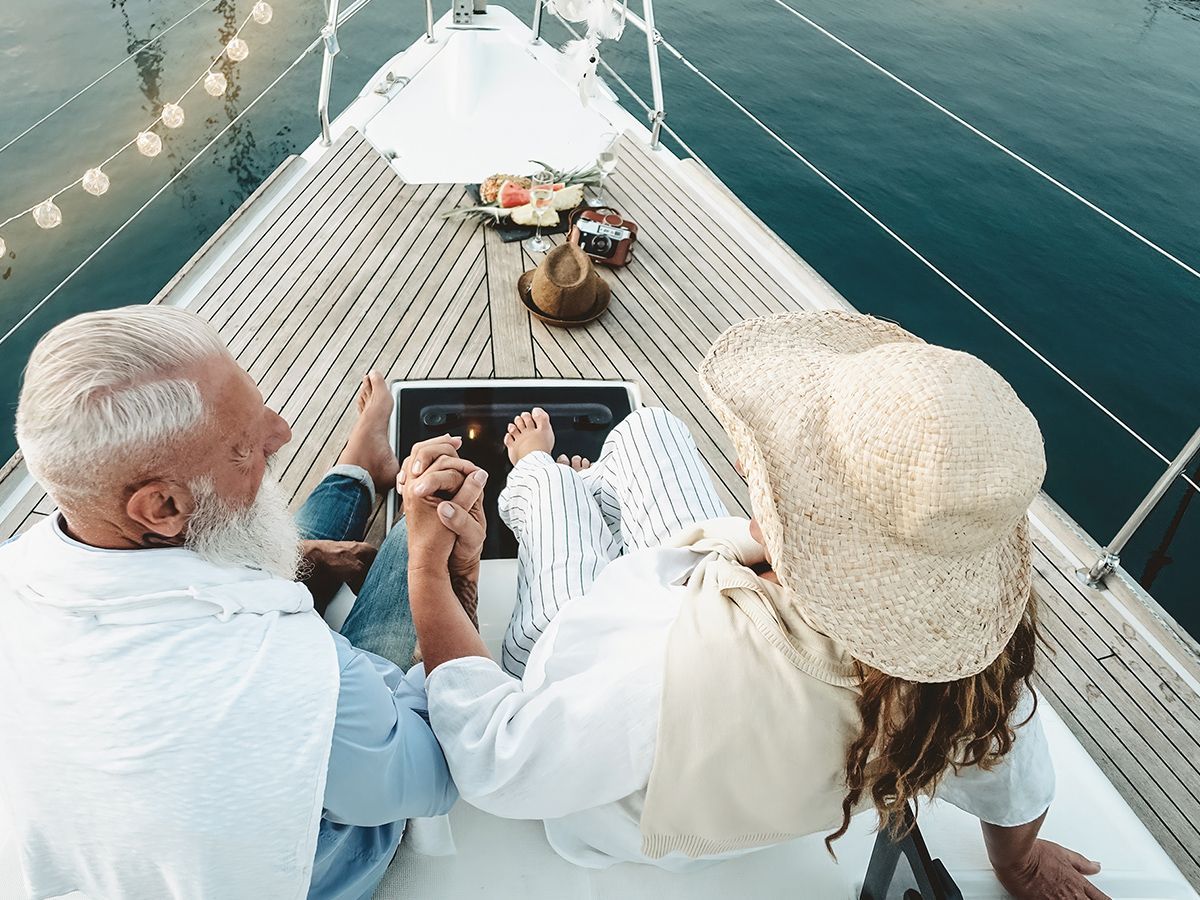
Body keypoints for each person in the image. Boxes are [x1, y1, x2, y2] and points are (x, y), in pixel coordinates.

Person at [401, 311, 1110, 899]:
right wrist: (1018, 864)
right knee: (651, 431)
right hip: (711, 574)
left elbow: (498, 758)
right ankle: (582, 485)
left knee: (547, 492)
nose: (749, 463)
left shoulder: (667, 677)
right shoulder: (969, 673)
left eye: (780, 464)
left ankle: (542, 475)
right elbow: (1017, 774)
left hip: (587, 652)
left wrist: (429, 569)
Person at [0, 306, 461, 900]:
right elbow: (429, 779)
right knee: (416, 533)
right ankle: (398, 501)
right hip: (319, 859)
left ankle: (358, 471)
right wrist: (435, 565)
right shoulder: (296, 670)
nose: (282, 431)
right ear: (161, 507)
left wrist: (305, 567)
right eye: (247, 443)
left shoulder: (19, 563)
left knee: (246, 526)